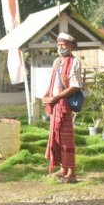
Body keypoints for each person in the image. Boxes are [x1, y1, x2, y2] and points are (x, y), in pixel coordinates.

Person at [42, 33, 83, 183]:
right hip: (55, 106)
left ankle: (71, 173)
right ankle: (63, 169)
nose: (60, 47)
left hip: (64, 106)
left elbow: (75, 86)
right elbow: (52, 82)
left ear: (71, 45)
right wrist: (46, 95)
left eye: (64, 44)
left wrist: (57, 98)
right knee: (56, 137)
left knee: (66, 139)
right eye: (58, 44)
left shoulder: (75, 62)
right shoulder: (57, 61)